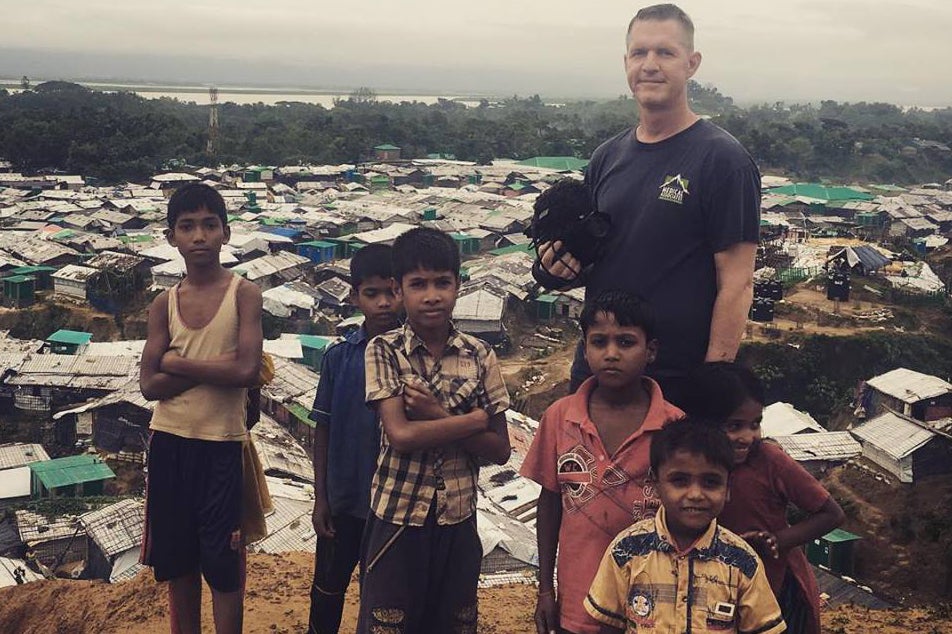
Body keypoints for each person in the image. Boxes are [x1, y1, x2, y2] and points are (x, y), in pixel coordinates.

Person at [541, 3, 761, 407]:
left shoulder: (724, 161)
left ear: (692, 63)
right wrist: (558, 264)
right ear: (626, 62)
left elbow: (737, 283)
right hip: (596, 376)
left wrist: (713, 382)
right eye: (640, 53)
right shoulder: (606, 157)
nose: (650, 65)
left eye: (665, 52)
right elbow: (596, 259)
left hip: (675, 381)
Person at [358, 227, 512, 633]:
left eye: (442, 283)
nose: (432, 295)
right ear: (398, 289)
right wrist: (471, 420)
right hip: (397, 517)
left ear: (458, 285)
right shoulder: (384, 349)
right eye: (418, 284)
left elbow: (500, 450)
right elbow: (401, 436)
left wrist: (434, 412)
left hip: (458, 520)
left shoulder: (481, 355)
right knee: (389, 622)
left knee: (452, 622)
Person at [520, 290, 683, 634]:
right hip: (578, 603)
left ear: (650, 350)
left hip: (655, 605)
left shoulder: (674, 426)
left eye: (626, 342)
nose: (611, 354)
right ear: (584, 347)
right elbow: (549, 504)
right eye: (599, 342)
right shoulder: (560, 417)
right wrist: (546, 590)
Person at [139, 183, 263, 634]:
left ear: (226, 233)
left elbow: (248, 368)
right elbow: (150, 385)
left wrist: (177, 361)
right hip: (169, 443)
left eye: (209, 225)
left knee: (224, 560)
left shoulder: (243, 294)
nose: (199, 236)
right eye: (187, 226)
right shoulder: (163, 304)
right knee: (179, 560)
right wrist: (214, 366)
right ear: (172, 236)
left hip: (221, 445)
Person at [682, 362, 845, 634]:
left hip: (775, 589)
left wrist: (777, 540)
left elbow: (832, 514)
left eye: (755, 424)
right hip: (714, 592)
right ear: (702, 423)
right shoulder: (691, 467)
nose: (747, 437)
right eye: (734, 426)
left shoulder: (770, 461)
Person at [585, 418, 786, 634]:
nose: (695, 495)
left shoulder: (742, 561)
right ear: (654, 483)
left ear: (728, 488)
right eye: (680, 481)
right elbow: (609, 626)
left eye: (710, 482)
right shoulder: (627, 550)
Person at [308, 243, 402, 634]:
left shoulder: (414, 356)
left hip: (395, 507)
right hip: (345, 502)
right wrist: (321, 498)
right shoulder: (339, 358)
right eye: (372, 293)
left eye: (391, 292)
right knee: (327, 593)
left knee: (383, 600)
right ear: (354, 296)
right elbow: (323, 430)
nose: (383, 303)